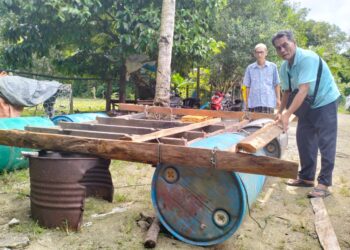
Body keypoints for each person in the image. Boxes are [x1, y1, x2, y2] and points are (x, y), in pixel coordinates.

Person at [272, 30, 340, 198]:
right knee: (304, 139)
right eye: (278, 48)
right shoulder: (284, 66)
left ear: (293, 42)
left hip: (325, 101)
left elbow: (303, 90)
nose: (282, 50)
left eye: (285, 45)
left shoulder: (307, 58)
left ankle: (324, 183)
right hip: (307, 104)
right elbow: (287, 92)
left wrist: (288, 115)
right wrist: (279, 112)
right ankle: (307, 178)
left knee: (326, 142)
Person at [243, 43, 281, 113]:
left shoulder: (273, 67)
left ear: (266, 53)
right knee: (253, 123)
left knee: (268, 123)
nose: (259, 55)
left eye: (261, 52)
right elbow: (247, 86)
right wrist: (246, 102)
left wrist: (278, 99)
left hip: (268, 102)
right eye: (257, 52)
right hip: (254, 103)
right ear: (254, 54)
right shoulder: (250, 68)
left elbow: (276, 84)